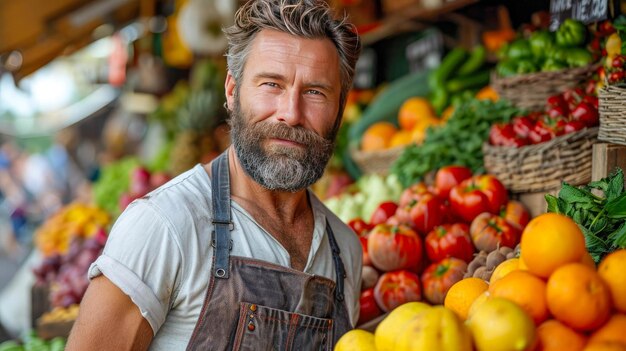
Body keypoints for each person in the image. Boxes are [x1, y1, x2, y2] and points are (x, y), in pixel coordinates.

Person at [66, 0, 363, 349]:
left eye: (315, 92)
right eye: (271, 84)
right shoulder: (165, 226)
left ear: (339, 109)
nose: (290, 113)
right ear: (233, 91)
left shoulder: (344, 251)